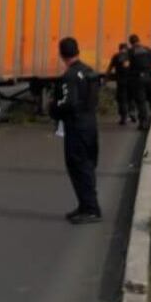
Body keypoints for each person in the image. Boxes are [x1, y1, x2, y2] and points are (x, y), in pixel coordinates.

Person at [51, 37, 102, 225]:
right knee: (87, 164)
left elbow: (68, 102)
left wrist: (53, 108)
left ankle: (91, 209)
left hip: (76, 126)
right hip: (90, 124)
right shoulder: (89, 72)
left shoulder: (69, 76)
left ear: (61, 54)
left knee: (78, 166)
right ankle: (84, 205)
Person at [128, 34, 151, 129]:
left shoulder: (131, 51)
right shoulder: (147, 49)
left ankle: (143, 122)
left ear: (131, 42)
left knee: (141, 101)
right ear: (139, 40)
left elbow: (125, 64)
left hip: (138, 79)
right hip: (150, 76)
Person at [106, 42, 133, 126]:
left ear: (120, 48)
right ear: (126, 48)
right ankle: (132, 113)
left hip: (121, 81)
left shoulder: (116, 56)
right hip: (131, 80)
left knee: (122, 99)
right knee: (131, 97)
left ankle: (123, 117)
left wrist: (106, 78)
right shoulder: (131, 55)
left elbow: (110, 67)